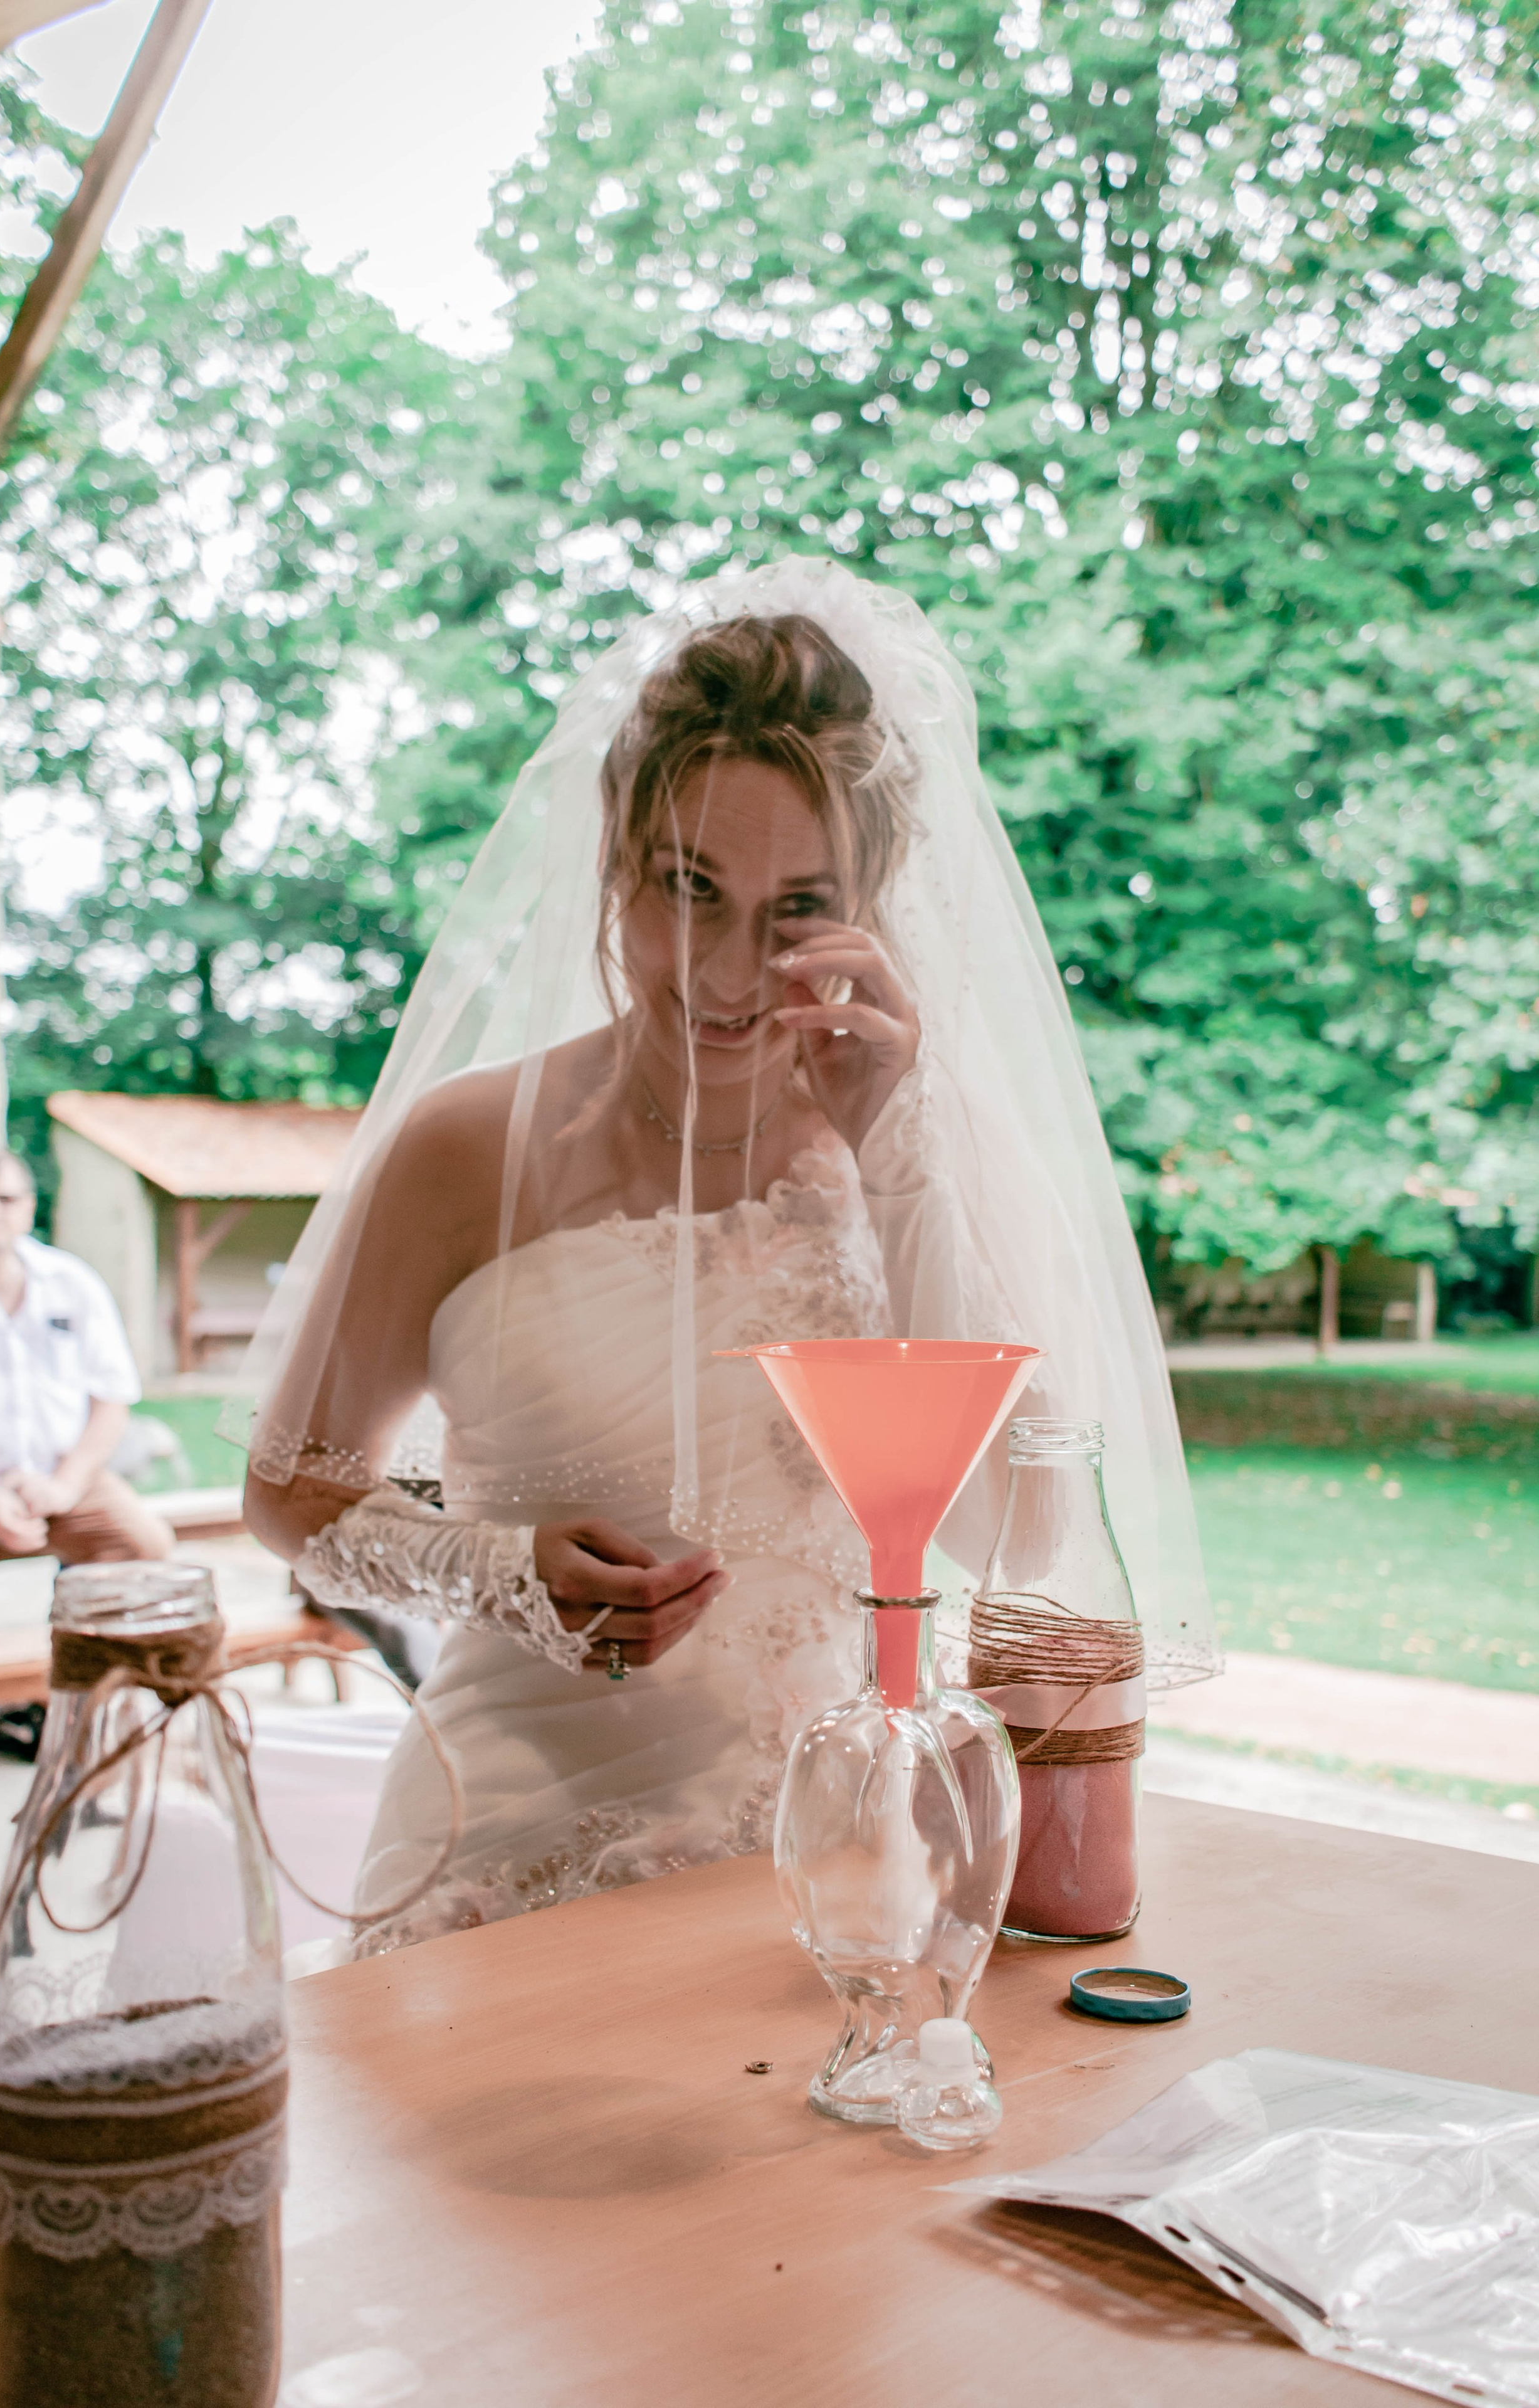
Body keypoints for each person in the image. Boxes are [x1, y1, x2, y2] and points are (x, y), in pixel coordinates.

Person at [243, 559, 1215, 1956]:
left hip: (835, 1876)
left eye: (796, 911)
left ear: (874, 904)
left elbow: (1020, 1529)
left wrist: (894, 1164)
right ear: (615, 864)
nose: (727, 975)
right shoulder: (461, 1151)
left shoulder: (939, 1149)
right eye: (686, 890)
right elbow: (289, 1491)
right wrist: (499, 1570)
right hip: (505, 1845)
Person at [0, 1148, 173, 1606]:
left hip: (59, 1476)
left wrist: (64, 1485)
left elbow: (111, 1400)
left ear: (29, 1207)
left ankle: (81, 1663)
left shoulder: (71, 1282)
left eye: (6, 1199)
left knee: (144, 1545)